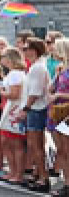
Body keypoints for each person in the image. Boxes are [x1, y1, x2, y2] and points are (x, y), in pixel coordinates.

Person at [19, 37, 51, 192]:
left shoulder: (37, 67)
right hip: (35, 108)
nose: (24, 51)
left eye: (26, 48)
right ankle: (38, 174)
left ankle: (43, 178)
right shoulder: (36, 66)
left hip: (36, 109)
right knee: (35, 145)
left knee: (35, 145)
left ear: (33, 50)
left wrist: (25, 109)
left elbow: (35, 92)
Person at [0, 48, 26, 186]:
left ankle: (17, 174)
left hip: (14, 109)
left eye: (3, 56)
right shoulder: (15, 73)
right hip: (12, 109)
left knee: (15, 143)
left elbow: (14, 95)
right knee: (8, 142)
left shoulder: (15, 74)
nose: (1, 58)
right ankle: (13, 172)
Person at [47, 38, 69, 196]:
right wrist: (55, 76)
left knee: (66, 150)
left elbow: (59, 92)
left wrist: (59, 94)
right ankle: (66, 182)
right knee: (61, 150)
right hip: (57, 112)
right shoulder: (61, 69)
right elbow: (51, 88)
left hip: (66, 113)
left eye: (55, 48)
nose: (53, 51)